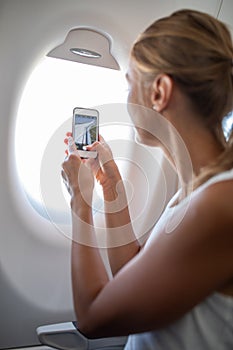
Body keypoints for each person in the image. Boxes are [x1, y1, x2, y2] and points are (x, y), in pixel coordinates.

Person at [61, 9, 233, 349]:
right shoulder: (195, 191)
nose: (126, 99)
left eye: (130, 84)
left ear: (159, 92)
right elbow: (133, 276)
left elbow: (93, 317)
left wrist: (80, 204)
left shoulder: (218, 204)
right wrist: (111, 189)